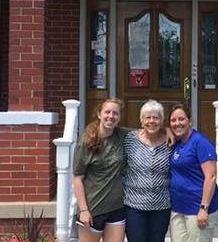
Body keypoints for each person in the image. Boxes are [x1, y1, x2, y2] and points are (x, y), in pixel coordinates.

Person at [73, 98, 129, 242]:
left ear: (119, 117)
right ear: (99, 114)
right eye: (107, 112)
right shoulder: (86, 141)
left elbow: (147, 133)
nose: (111, 116)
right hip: (93, 209)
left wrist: (167, 132)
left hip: (117, 207)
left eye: (115, 113)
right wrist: (84, 210)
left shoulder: (122, 135)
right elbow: (77, 178)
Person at [168, 103, 218, 242]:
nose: (177, 123)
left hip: (197, 209)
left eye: (181, 119)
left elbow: (211, 176)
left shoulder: (200, 142)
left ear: (189, 121)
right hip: (178, 207)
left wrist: (204, 208)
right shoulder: (177, 143)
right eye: (173, 120)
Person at [123, 99, 173, 242]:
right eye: (148, 117)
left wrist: (169, 130)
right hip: (134, 205)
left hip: (161, 205)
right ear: (141, 120)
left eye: (156, 117)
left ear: (162, 120)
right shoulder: (130, 139)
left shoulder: (170, 142)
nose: (152, 121)